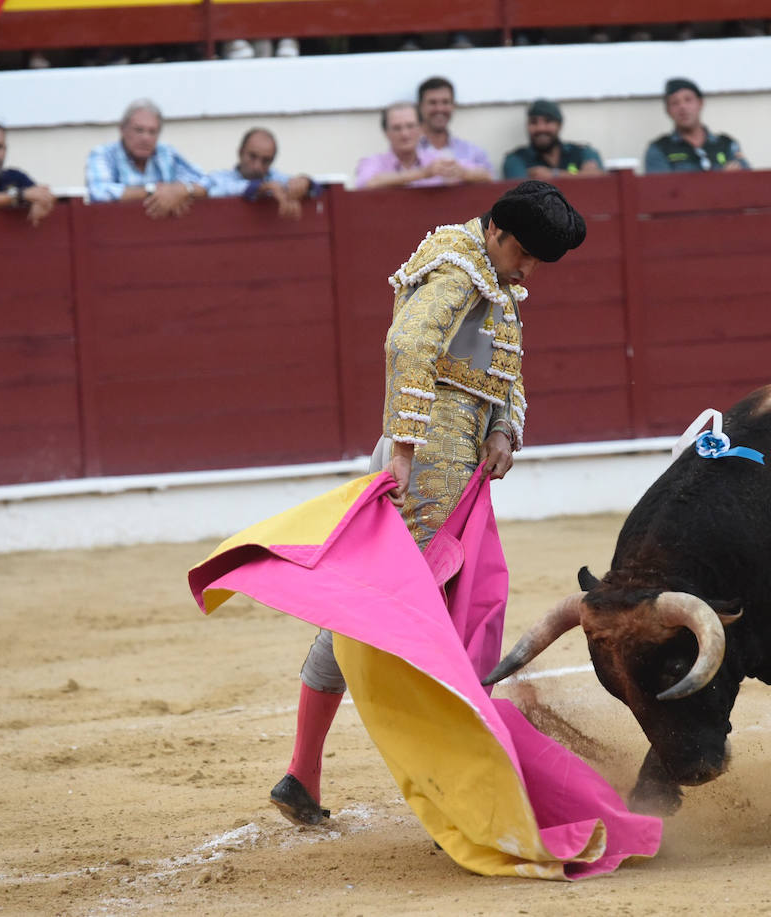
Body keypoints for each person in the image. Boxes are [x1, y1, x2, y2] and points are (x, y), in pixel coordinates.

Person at [268, 180, 588, 826]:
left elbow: (503, 370)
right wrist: (407, 448)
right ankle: (452, 792)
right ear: (496, 229)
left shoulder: (492, 275)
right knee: (429, 615)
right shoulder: (458, 263)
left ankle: (303, 772)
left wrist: (502, 428)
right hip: (431, 457)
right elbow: (408, 346)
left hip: (456, 455)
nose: (526, 271)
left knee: (379, 604)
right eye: (523, 254)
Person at [85, 99, 208, 218]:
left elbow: (208, 183)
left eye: (152, 132)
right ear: (122, 129)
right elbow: (98, 192)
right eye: (139, 130)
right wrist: (153, 191)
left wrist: (184, 190)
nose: (146, 138)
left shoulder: (166, 153)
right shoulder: (103, 154)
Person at [206, 127, 318, 219]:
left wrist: (305, 182)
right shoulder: (218, 178)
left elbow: (318, 188)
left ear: (272, 161)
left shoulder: (276, 178)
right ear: (240, 152)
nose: (257, 166)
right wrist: (264, 187)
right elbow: (220, 189)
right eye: (252, 156)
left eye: (266, 161)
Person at [644, 78, 751, 173]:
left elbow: (748, 182)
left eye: (688, 100)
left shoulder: (726, 144)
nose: (683, 107)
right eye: (675, 102)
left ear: (700, 103)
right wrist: (720, 179)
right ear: (668, 110)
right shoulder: (659, 149)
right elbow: (662, 192)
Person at [354, 102, 466, 189]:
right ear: (386, 132)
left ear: (421, 128)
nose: (405, 134)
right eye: (397, 128)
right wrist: (423, 173)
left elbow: (482, 173)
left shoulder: (437, 159)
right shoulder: (373, 162)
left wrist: (462, 173)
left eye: (410, 126)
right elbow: (364, 183)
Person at [415, 76, 494, 183]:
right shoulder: (407, 151)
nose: (439, 109)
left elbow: (492, 179)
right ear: (420, 107)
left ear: (453, 106)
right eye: (432, 103)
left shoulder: (472, 151)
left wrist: (464, 173)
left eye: (445, 102)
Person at [501, 99, 604, 179]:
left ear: (559, 125)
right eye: (533, 122)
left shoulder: (582, 152)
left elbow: (598, 177)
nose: (541, 128)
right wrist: (578, 175)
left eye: (548, 121)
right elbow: (519, 189)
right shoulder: (516, 159)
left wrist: (554, 174)